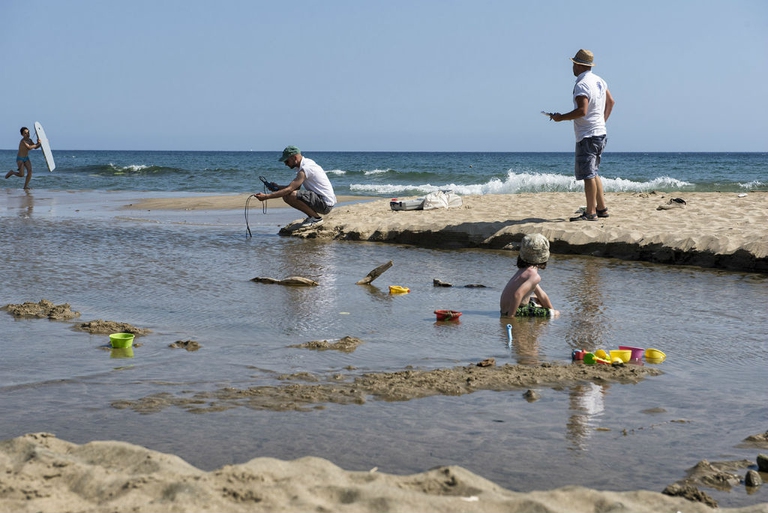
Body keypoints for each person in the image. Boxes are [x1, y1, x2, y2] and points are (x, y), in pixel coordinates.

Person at [548, 49, 615, 222]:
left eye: (573, 64)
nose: (572, 67)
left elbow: (582, 110)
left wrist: (561, 117)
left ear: (578, 65)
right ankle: (601, 208)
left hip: (588, 135)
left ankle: (591, 212)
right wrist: (602, 121)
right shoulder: (600, 80)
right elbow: (611, 102)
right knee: (593, 172)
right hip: (599, 132)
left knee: (588, 175)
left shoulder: (582, 84)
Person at [254, 146, 337, 230]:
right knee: (288, 194)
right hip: (322, 202)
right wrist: (278, 187)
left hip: (325, 204)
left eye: (286, 161)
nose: (285, 164)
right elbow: (295, 188)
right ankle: (313, 217)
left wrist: (266, 197)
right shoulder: (303, 165)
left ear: (294, 157)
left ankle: (315, 218)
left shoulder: (306, 168)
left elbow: (290, 190)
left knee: (289, 195)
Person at [500, 233, 559, 318]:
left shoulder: (524, 271)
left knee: (537, 298)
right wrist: (511, 317)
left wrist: (550, 308)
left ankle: (535, 327)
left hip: (505, 309)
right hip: (515, 311)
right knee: (557, 314)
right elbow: (517, 294)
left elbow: (541, 294)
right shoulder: (534, 276)